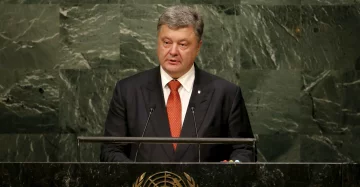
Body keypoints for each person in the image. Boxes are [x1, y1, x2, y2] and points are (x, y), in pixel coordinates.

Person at [100, 5, 255, 162]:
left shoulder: (226, 94)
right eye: (166, 42)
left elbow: (244, 149)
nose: (173, 51)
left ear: (198, 47)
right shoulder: (128, 91)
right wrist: (139, 176)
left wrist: (231, 169)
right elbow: (111, 150)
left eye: (182, 44)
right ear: (157, 42)